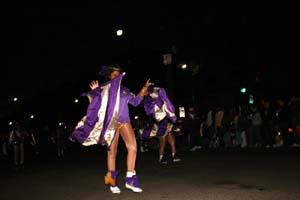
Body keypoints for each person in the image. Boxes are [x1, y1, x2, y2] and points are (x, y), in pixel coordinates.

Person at [70, 64, 153, 194]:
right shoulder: (104, 88)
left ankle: (130, 181)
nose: (117, 76)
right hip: (111, 124)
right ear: (109, 76)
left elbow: (136, 102)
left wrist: (144, 89)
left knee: (133, 148)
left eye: (118, 74)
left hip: (125, 122)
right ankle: (111, 183)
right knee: (111, 153)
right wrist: (96, 91)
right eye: (114, 74)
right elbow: (96, 105)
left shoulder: (125, 89)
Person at [141, 87, 181, 164]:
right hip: (160, 124)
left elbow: (166, 103)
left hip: (167, 122)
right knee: (163, 141)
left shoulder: (161, 100)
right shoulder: (149, 101)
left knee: (172, 140)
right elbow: (150, 112)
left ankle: (174, 155)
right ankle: (161, 157)